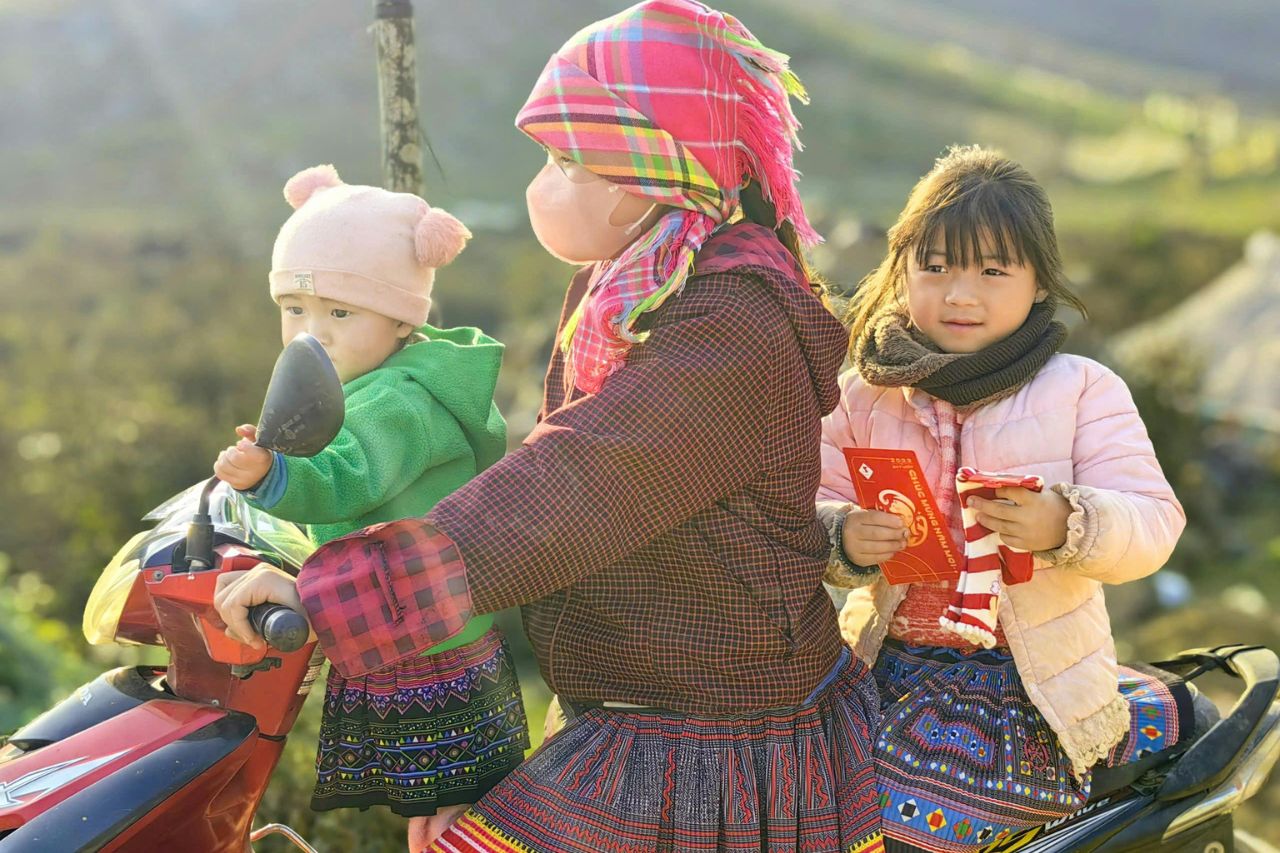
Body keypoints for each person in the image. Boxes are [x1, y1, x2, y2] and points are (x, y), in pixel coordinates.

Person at [215, 2, 886, 851]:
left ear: (648, 170)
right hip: (638, 703)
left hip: (714, 740)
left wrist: (332, 593)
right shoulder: (633, 282)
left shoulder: (727, 327)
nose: (545, 181)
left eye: (568, 159)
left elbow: (570, 488)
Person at [819, 145, 1190, 850]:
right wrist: (841, 535)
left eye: (993, 271)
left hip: (1023, 687)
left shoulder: (1081, 390)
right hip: (879, 667)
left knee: (900, 824)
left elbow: (1154, 521)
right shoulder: (863, 395)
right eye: (936, 267)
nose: (962, 295)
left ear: (1038, 281)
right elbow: (803, 513)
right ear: (901, 270)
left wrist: (1067, 523)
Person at [212, 165, 529, 852]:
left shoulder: (398, 400)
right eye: (295, 309)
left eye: (340, 313)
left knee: (451, 812)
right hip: (410, 621)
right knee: (442, 813)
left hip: (422, 640)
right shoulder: (372, 381)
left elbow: (350, 475)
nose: (314, 333)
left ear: (401, 316)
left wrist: (274, 474)